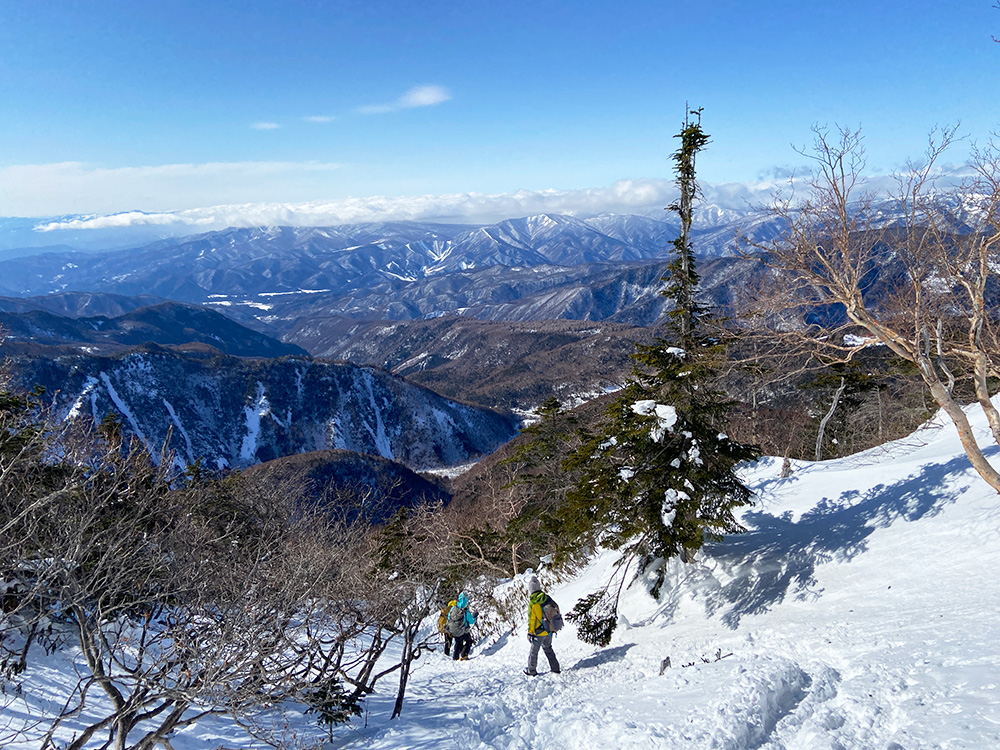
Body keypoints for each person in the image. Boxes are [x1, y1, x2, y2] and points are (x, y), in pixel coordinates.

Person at [524, 575, 560, 676]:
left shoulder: (533, 602)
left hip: (539, 631)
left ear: (530, 589)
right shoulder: (546, 597)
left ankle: (531, 671)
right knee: (548, 649)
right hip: (549, 629)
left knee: (534, 652)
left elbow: (532, 619)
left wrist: (530, 632)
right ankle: (555, 668)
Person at [447, 592, 477, 661]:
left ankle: (455, 658)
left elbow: (449, 618)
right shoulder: (465, 610)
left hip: (453, 630)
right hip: (463, 630)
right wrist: (474, 617)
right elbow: (471, 621)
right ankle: (464, 655)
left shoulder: (454, 608)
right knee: (469, 641)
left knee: (458, 642)